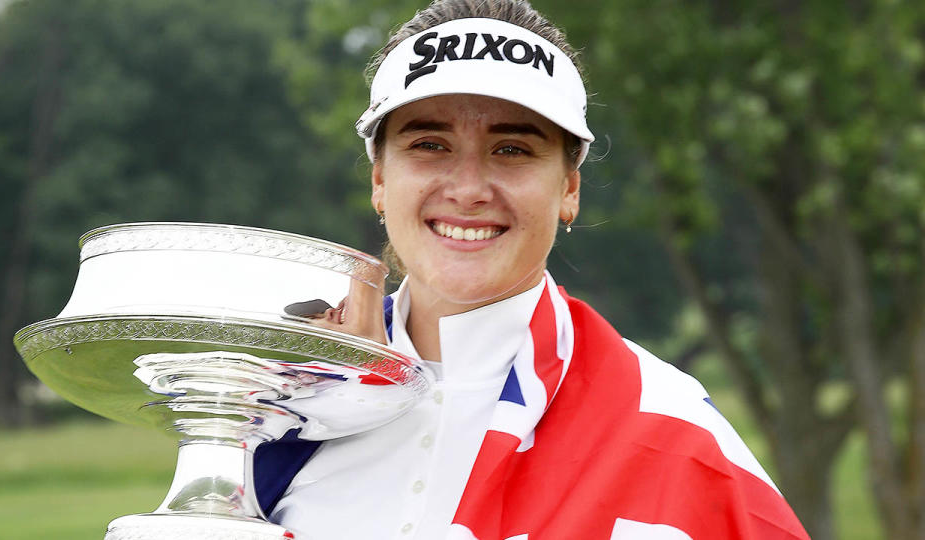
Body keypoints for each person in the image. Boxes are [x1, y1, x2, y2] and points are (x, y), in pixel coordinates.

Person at [254, 1, 810, 539]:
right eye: (429, 144)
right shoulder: (276, 403)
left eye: (512, 150)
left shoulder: (673, 432)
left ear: (569, 189)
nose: (468, 189)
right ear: (379, 178)